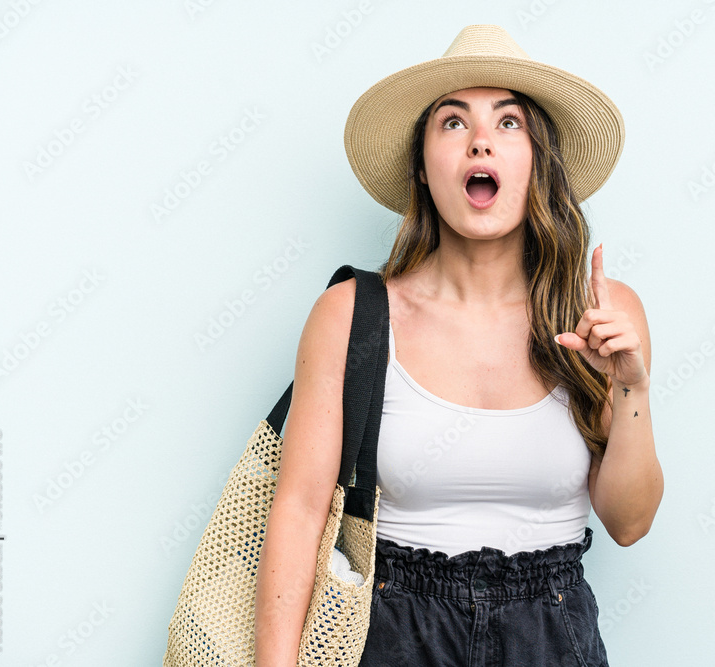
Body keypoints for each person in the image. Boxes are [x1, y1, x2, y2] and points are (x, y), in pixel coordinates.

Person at [254, 24, 663, 667]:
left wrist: (631, 387)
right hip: (393, 632)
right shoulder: (352, 315)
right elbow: (301, 513)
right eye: (451, 122)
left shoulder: (602, 313)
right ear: (422, 165)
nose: (480, 139)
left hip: (551, 636)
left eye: (509, 123)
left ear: (538, 159)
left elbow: (629, 523)